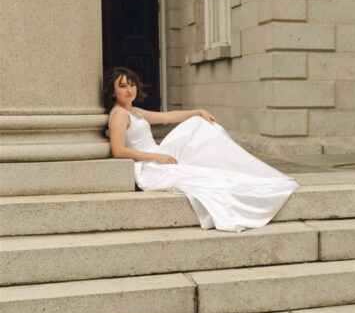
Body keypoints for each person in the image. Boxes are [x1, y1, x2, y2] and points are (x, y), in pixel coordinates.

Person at [105, 66, 298, 232]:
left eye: (132, 85)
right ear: (113, 91)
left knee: (197, 124)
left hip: (157, 156)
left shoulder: (134, 111)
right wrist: (155, 157)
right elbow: (119, 151)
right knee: (203, 180)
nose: (129, 90)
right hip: (148, 164)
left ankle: (231, 163)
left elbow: (167, 117)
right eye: (122, 86)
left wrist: (197, 111)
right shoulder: (120, 115)